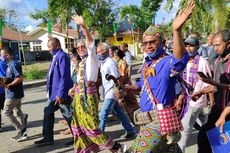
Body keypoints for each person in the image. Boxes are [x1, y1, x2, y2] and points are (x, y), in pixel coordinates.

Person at [122, 1, 195, 152]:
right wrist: (128, 88)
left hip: (160, 122)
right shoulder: (147, 64)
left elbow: (180, 60)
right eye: (145, 43)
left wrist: (177, 31)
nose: (148, 45)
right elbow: (143, 84)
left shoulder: (167, 62)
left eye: (152, 42)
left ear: (162, 43)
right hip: (145, 121)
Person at [69, 15, 124, 153]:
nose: (81, 48)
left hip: (88, 98)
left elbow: (90, 43)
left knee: (92, 127)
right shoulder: (80, 62)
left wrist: (83, 27)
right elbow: (80, 80)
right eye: (78, 47)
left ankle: (115, 147)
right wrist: (73, 88)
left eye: (83, 46)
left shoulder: (91, 58)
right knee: (78, 126)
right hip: (78, 98)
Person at [177, 37, 214, 153]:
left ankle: (179, 150)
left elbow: (210, 83)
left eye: (191, 46)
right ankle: (213, 141)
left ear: (197, 47)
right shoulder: (185, 61)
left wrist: (212, 102)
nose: (188, 48)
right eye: (186, 45)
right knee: (206, 123)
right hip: (186, 99)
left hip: (195, 101)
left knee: (185, 129)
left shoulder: (202, 62)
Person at [34, 37, 73, 146]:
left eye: (50, 46)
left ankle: (78, 136)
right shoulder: (55, 56)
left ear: (56, 45)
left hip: (61, 93)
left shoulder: (62, 56)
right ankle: (47, 138)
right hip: (52, 94)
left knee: (68, 115)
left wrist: (60, 94)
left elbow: (64, 77)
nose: (48, 49)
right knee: (48, 112)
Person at [197, 29, 230, 153]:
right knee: (203, 138)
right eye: (213, 45)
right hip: (217, 112)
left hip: (227, 114)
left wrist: (223, 115)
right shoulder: (217, 61)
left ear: (228, 44)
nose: (214, 48)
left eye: (218, 45)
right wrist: (201, 92)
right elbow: (217, 87)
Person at [97, 42, 136, 138]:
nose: (97, 54)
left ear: (105, 52)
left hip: (112, 92)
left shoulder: (110, 62)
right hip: (107, 92)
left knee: (103, 114)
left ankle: (99, 137)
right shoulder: (103, 63)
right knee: (120, 113)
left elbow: (117, 78)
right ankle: (130, 131)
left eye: (99, 52)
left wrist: (119, 93)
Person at [0, 47, 28, 142]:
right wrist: (3, 79)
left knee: (6, 112)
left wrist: (9, 85)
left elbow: (20, 78)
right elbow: (11, 77)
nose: (1, 56)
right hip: (15, 93)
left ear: (7, 55)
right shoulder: (9, 65)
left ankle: (21, 129)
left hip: (13, 94)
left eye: (2, 55)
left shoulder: (13, 64)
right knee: (18, 112)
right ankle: (23, 132)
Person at [0, 56, 6, 132]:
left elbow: (4, 77)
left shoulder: (1, 64)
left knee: (7, 111)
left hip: (2, 91)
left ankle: (22, 117)